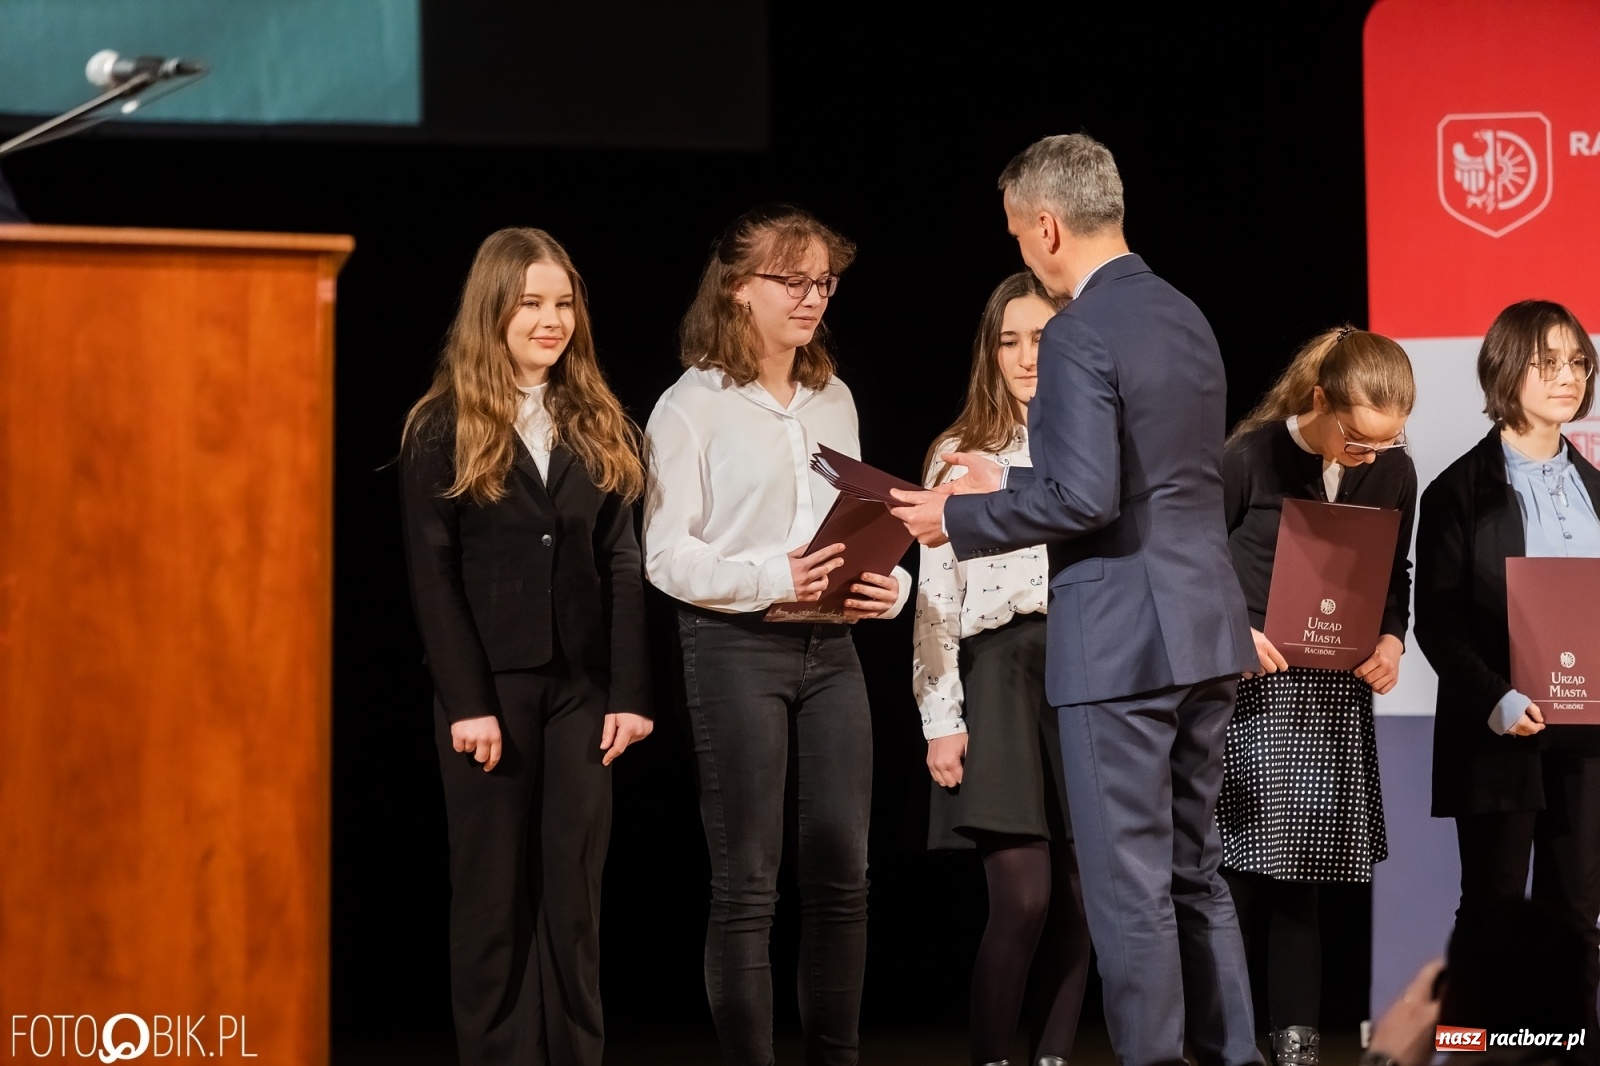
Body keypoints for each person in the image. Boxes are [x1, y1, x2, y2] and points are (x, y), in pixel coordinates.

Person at [891, 133, 1261, 1066]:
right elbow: (1147, 477)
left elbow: (1084, 498)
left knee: (1128, 885)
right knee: (1193, 875)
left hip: (1121, 644)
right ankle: (1233, 1056)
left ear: (1047, 226)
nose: (1022, 251)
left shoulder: (1080, 330)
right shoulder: (1183, 314)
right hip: (1205, 630)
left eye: (1018, 234)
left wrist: (960, 513)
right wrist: (1005, 476)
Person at [642, 203, 909, 1066]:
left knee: (843, 878)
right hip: (734, 646)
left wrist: (887, 587)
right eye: (790, 280)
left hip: (831, 652)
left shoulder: (835, 399)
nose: (811, 297)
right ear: (736, 288)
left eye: (823, 281)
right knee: (750, 883)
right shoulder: (691, 407)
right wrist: (769, 577)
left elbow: (861, 521)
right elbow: (665, 554)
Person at [398, 228, 654, 1066]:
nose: (552, 320)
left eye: (564, 303)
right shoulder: (442, 424)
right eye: (532, 303)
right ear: (493, 309)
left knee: (573, 898)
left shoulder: (601, 420)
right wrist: (467, 703)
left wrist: (629, 692)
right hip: (491, 693)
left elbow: (622, 560)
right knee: (492, 898)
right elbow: (433, 574)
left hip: (583, 691)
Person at [1219, 327, 1418, 1066]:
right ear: (1320, 402)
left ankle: (1296, 1048)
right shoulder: (1248, 457)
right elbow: (1194, 563)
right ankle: (1228, 1040)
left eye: (1388, 442)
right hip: (1249, 687)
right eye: (1360, 440)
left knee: (1304, 877)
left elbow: (1395, 574)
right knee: (1237, 874)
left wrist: (1393, 642)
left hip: (1332, 697)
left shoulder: (1394, 473)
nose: (1372, 456)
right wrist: (1231, 632)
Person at [913, 272, 1091, 1066]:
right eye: (1009, 341)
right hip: (1000, 675)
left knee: (1084, 905)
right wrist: (942, 719)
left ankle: (1051, 1057)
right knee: (1024, 899)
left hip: (1088, 674)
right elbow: (934, 600)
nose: (1026, 358)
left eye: (1043, 340)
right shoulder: (959, 453)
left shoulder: (1094, 448)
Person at [1413, 299, 1600, 1030]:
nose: (1567, 377)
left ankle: (1567, 1050)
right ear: (1505, 369)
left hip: (1587, 738)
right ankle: (1477, 1048)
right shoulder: (1457, 491)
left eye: (1577, 361)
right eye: (1546, 362)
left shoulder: (1597, 491)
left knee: (1578, 911)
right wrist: (1497, 699)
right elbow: (1438, 621)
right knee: (1491, 906)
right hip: (1497, 728)